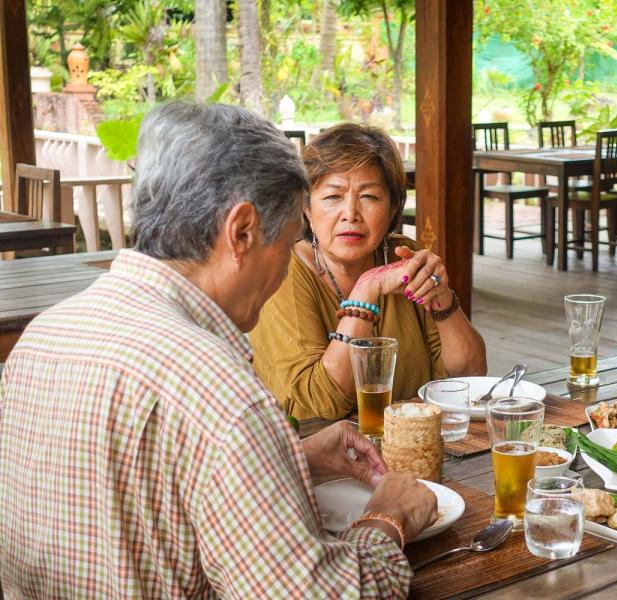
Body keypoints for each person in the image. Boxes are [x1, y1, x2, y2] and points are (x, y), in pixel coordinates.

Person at [0, 103, 437, 598]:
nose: (283, 271)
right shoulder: (220, 391)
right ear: (242, 231)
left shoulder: (44, 335)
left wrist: (292, 456)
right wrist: (390, 516)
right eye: (289, 238)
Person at [250, 123, 486, 420]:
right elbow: (320, 405)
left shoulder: (402, 257)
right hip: (320, 458)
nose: (351, 213)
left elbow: (469, 376)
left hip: (411, 445)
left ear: (392, 209)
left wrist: (442, 299)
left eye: (369, 197)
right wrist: (365, 291)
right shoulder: (282, 272)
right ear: (307, 208)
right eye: (333, 197)